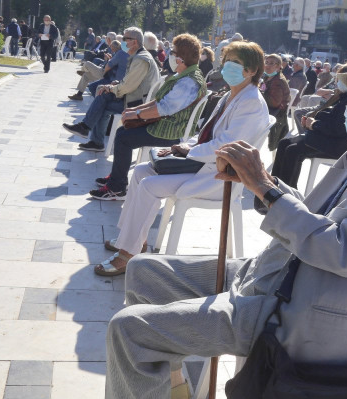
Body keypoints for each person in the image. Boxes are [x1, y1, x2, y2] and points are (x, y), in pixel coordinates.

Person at [104, 43, 347, 399]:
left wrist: (268, 193)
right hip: (270, 272)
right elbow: (316, 215)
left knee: (130, 331)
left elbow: (346, 252)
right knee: (143, 271)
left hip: (299, 310)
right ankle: (178, 393)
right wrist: (263, 182)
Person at [93, 40, 272, 276]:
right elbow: (205, 135)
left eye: (235, 63)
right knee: (140, 172)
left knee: (148, 185)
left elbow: (225, 146)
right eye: (226, 61)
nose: (228, 66)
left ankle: (128, 254)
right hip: (204, 163)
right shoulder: (231, 95)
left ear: (251, 70)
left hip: (220, 177)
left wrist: (187, 151)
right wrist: (181, 146)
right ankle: (133, 239)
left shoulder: (250, 102)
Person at [89, 33, 207, 202]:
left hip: (172, 132)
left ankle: (117, 187)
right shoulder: (183, 75)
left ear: (181, 58)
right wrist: (135, 110)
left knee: (123, 137)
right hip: (166, 124)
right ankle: (117, 177)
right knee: (123, 131)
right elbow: (158, 102)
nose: (170, 55)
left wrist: (136, 113)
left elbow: (163, 108)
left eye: (173, 52)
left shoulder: (189, 81)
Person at [62, 26, 160, 151]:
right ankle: (91, 136)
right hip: (135, 97)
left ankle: (89, 132)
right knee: (102, 93)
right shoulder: (138, 56)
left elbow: (128, 86)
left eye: (125, 39)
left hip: (138, 104)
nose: (122, 42)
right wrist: (115, 84)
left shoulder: (141, 59)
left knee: (102, 97)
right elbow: (130, 82)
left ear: (134, 42)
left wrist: (111, 88)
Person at [272, 63, 347, 188]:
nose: (338, 81)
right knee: (284, 143)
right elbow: (330, 117)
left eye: (341, 79)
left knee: (293, 151)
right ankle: (273, 187)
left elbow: (339, 128)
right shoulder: (341, 96)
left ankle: (287, 192)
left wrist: (315, 124)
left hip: (336, 145)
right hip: (326, 138)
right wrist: (312, 119)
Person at [261, 54, 291, 151]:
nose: (268, 66)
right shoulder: (268, 77)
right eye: (266, 62)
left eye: (272, 63)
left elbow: (275, 103)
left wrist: (260, 93)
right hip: (269, 109)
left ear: (278, 66)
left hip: (276, 114)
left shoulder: (277, 81)